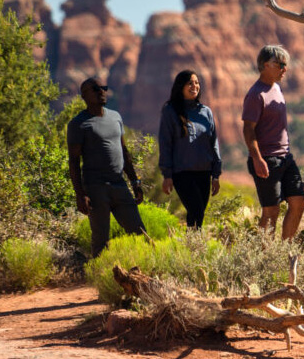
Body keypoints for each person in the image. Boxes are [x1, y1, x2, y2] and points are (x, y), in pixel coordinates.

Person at [67, 77, 145, 257]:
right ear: (84, 96)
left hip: (120, 186)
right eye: (95, 89)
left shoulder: (115, 117)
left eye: (103, 87)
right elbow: (73, 162)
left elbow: (124, 152)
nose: (101, 91)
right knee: (101, 241)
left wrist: (135, 182)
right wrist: (80, 195)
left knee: (139, 232)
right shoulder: (78, 124)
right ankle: (100, 281)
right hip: (95, 189)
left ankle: (145, 278)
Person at [242, 45, 304, 239]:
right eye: (280, 64)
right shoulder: (255, 94)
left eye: (285, 65)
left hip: (285, 157)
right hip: (267, 159)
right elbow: (248, 129)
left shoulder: (277, 88)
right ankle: (267, 258)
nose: (284, 69)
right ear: (266, 65)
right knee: (271, 211)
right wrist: (257, 159)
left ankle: (285, 250)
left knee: (299, 202)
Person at [158, 70, 222, 228]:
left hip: (204, 171)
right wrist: (167, 175)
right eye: (190, 83)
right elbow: (165, 143)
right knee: (197, 210)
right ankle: (194, 245)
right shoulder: (170, 111)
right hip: (182, 173)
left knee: (197, 217)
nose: (194, 86)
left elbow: (213, 143)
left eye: (197, 82)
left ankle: (192, 248)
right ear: (181, 87)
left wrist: (216, 174)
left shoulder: (206, 112)